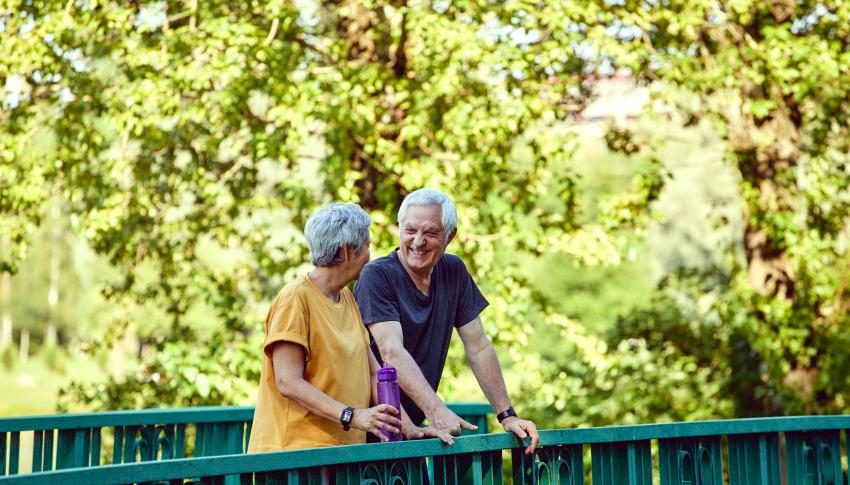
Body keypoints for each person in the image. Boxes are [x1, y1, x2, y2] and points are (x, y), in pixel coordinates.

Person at [248, 203, 446, 452]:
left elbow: (374, 374)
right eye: (367, 247)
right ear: (347, 251)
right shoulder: (295, 298)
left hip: (340, 455)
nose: (369, 255)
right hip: (295, 457)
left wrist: (407, 427)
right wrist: (352, 416)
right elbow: (287, 381)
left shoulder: (347, 298)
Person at [354, 188, 540, 454]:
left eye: (430, 233)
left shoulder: (453, 272)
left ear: (449, 236)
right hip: (366, 438)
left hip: (411, 436)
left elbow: (478, 346)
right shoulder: (377, 276)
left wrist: (507, 415)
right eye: (410, 230)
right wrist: (436, 410)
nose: (418, 242)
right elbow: (390, 352)